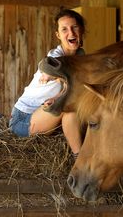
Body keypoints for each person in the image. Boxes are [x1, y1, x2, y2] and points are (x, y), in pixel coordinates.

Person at [9, 8, 86, 158]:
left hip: (44, 114)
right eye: (64, 29)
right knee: (68, 108)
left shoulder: (81, 57)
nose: (71, 33)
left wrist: (57, 98)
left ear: (81, 30)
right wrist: (50, 74)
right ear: (58, 35)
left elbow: (73, 87)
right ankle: (80, 159)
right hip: (23, 119)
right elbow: (48, 66)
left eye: (74, 27)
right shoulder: (55, 55)